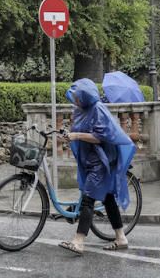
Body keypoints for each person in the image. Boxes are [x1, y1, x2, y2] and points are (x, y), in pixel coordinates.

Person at [57, 79, 137, 254]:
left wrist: (76, 135)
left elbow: (101, 137)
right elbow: (80, 129)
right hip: (90, 160)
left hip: (101, 162)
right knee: (108, 198)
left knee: (88, 198)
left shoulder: (98, 109)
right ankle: (121, 238)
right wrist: (70, 135)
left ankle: (78, 241)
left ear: (86, 97)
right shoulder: (81, 110)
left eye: (78, 97)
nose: (75, 101)